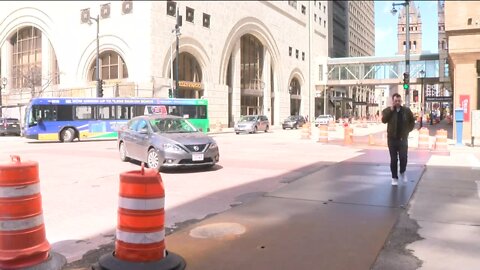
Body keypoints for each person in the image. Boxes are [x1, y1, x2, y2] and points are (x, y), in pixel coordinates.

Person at [381, 93, 415, 186]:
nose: (397, 102)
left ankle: (402, 171)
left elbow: (412, 121)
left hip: (403, 139)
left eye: (399, 101)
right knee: (393, 159)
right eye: (395, 101)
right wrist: (390, 111)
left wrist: (408, 131)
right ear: (393, 101)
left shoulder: (406, 111)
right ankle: (394, 177)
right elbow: (384, 120)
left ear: (401, 101)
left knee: (403, 158)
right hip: (392, 139)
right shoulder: (387, 110)